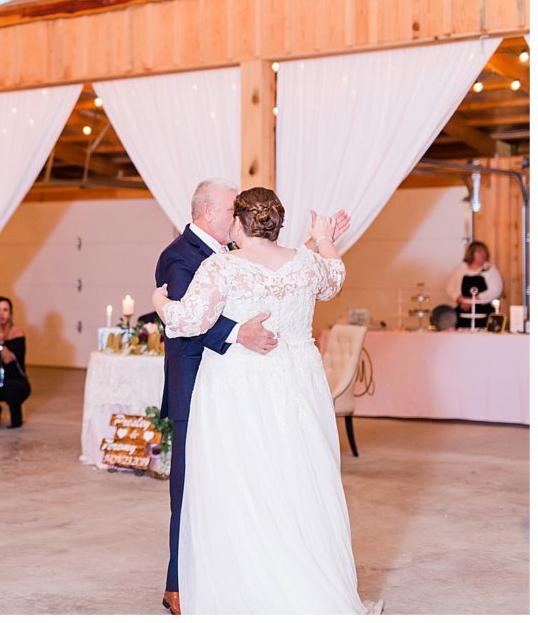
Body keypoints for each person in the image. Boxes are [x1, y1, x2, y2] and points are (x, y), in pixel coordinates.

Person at [152, 188, 380, 615]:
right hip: (295, 385)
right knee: (294, 477)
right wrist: (324, 234)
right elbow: (335, 275)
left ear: (239, 223)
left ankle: (247, 584)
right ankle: (304, 580)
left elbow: (187, 321)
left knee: (241, 479)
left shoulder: (221, 267)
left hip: (240, 384)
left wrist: (160, 303)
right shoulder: (306, 265)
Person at [0, 296, 30, 429]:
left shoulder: (17, 333)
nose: (1, 314)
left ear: (10, 313)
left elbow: (8, 359)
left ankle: (16, 418)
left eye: (5, 310)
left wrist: (0, 343)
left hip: (14, 380)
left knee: (13, 388)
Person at [446, 241, 503, 329]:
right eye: (479, 251)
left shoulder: (490, 270)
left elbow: (496, 289)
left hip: (484, 310)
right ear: (471, 253)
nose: (483, 254)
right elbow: (450, 287)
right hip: (464, 309)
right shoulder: (460, 269)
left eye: (484, 251)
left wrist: (472, 301)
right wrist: (462, 300)